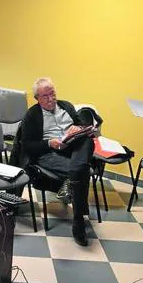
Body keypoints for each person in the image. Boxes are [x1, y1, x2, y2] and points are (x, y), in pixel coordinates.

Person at [21, 77, 94, 246]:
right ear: (37, 98)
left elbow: (80, 124)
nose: (51, 98)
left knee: (87, 141)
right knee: (81, 172)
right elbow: (27, 146)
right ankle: (78, 222)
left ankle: (73, 176)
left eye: (52, 93)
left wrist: (78, 128)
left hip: (72, 148)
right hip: (48, 153)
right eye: (45, 96)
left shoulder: (66, 106)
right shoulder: (32, 115)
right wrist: (49, 143)